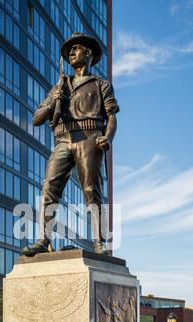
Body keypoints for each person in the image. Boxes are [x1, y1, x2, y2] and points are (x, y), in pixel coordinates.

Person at [22, 32, 119, 256]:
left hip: (90, 137)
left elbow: (112, 116)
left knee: (91, 191)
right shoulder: (60, 86)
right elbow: (37, 118)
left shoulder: (101, 85)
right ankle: (42, 240)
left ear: (89, 53)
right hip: (63, 139)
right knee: (49, 187)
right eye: (71, 50)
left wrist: (108, 138)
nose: (73, 53)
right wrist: (54, 101)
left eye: (77, 49)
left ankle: (100, 243)